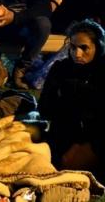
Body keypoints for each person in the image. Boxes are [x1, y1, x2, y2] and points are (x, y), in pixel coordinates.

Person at [38, 19, 105, 182]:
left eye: (84, 48)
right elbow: (44, 108)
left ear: (98, 47)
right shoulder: (60, 69)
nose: (77, 54)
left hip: (94, 138)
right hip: (63, 132)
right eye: (73, 47)